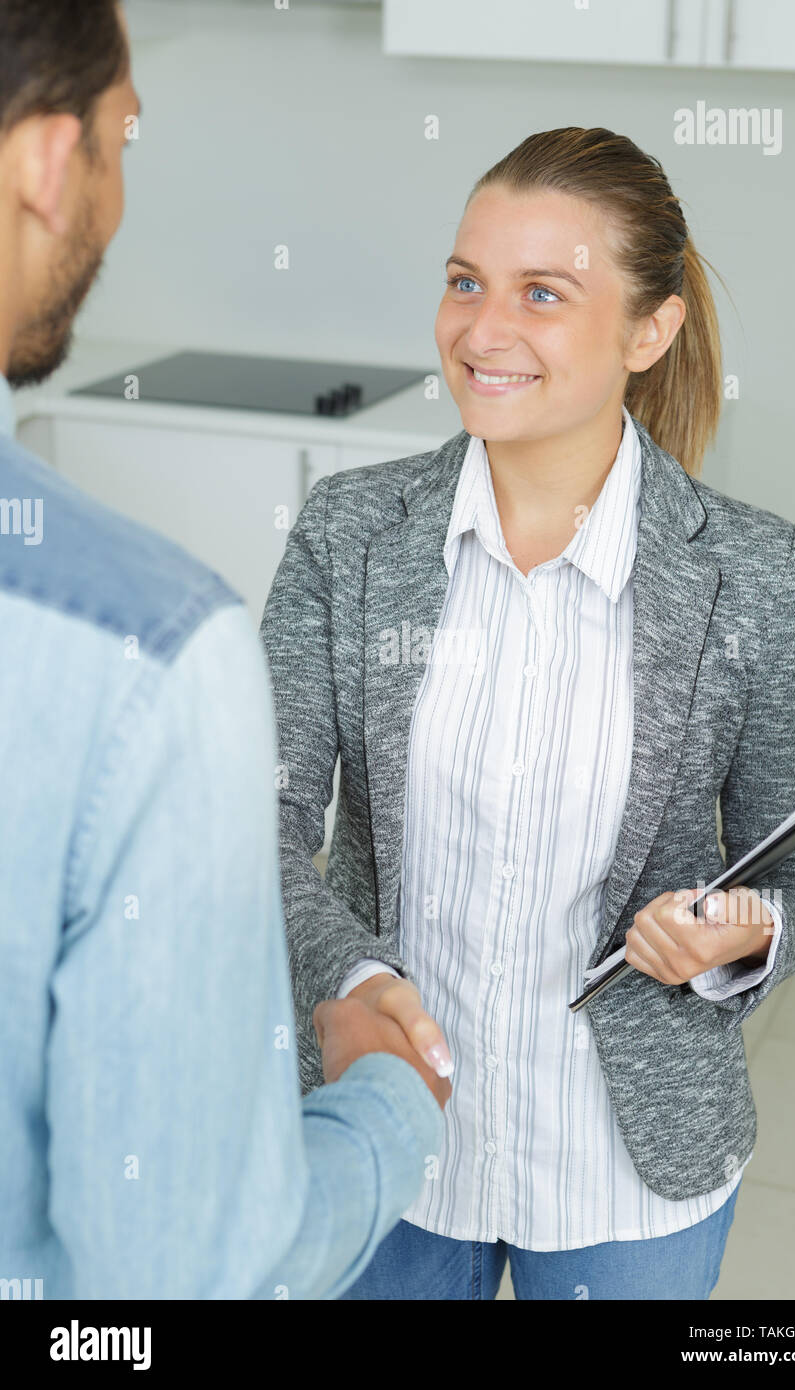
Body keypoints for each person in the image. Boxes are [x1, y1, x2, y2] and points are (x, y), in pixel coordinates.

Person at [259, 126, 795, 1300]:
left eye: (543, 293)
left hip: (625, 1171)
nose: (483, 331)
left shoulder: (751, 576)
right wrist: (351, 974)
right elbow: (259, 820)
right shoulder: (346, 535)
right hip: (389, 1138)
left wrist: (741, 933)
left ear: (650, 330)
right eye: (465, 281)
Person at [0, 0, 451, 1302]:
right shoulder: (150, 650)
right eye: (122, 141)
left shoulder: (727, 571)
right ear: (47, 160)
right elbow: (183, 1280)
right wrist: (389, 1105)